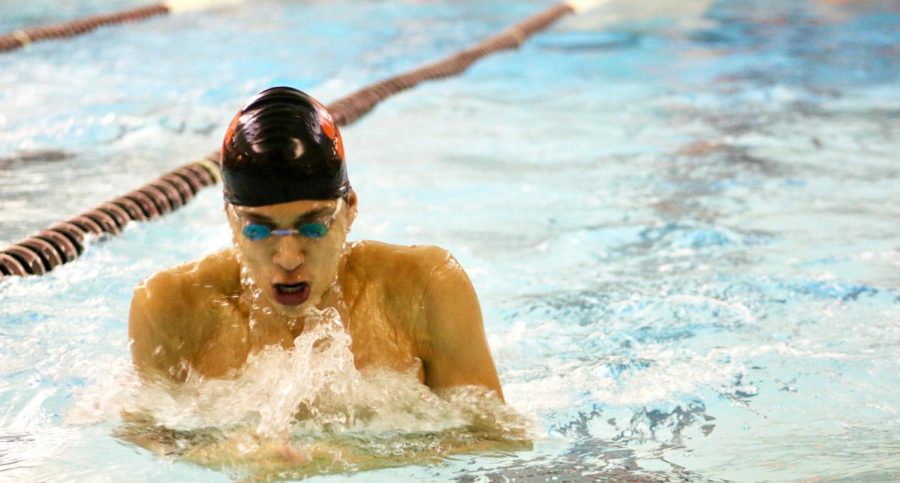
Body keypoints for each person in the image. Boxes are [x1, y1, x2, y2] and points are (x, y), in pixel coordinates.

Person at [128, 86, 504, 402]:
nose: (289, 258)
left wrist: (324, 459)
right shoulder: (169, 306)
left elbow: (494, 438)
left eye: (312, 228)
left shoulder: (425, 287)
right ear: (231, 219)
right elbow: (146, 442)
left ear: (349, 210)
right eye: (258, 231)